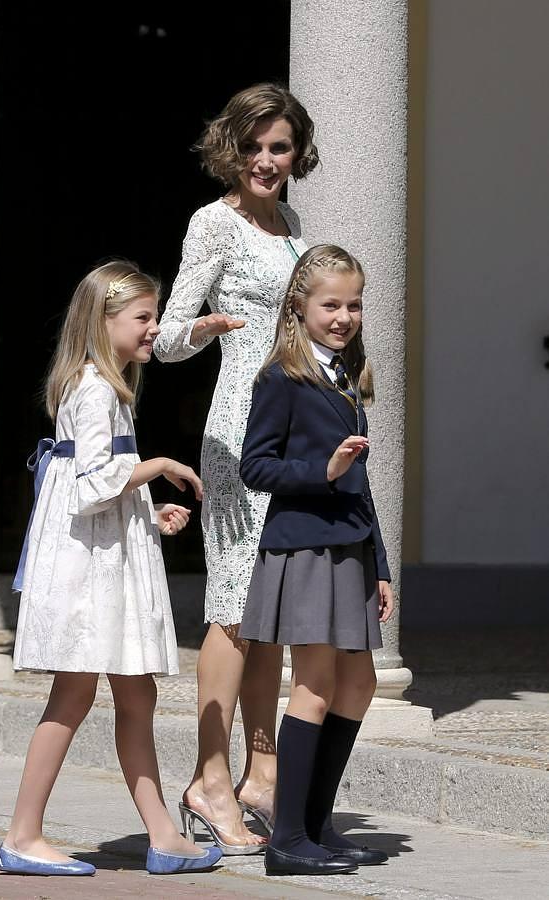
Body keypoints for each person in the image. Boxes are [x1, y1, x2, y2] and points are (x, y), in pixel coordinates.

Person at [0, 261, 220, 877]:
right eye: (143, 318)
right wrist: (159, 467)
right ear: (105, 321)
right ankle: (23, 833)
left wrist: (149, 515)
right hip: (86, 572)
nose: (153, 329)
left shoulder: (108, 387)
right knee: (73, 693)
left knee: (136, 690)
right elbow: (95, 483)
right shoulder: (96, 388)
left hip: (101, 558)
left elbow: (93, 485)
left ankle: (163, 835)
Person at [153, 83, 318, 852]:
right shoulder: (213, 224)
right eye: (251, 146)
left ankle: (263, 774)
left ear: (295, 153)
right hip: (237, 429)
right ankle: (208, 779)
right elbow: (165, 339)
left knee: (271, 609)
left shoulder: (293, 227)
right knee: (232, 605)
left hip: (293, 430)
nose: (264, 160)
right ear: (232, 148)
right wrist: (206, 327)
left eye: (278, 147)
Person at [238, 244, 392, 876]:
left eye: (353, 304)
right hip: (304, 546)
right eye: (331, 304)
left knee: (360, 682)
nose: (344, 316)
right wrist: (321, 472)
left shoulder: (348, 375)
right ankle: (287, 837)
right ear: (299, 306)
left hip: (349, 548)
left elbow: (363, 483)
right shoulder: (282, 376)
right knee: (316, 684)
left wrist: (379, 564)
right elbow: (255, 465)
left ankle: (316, 823)